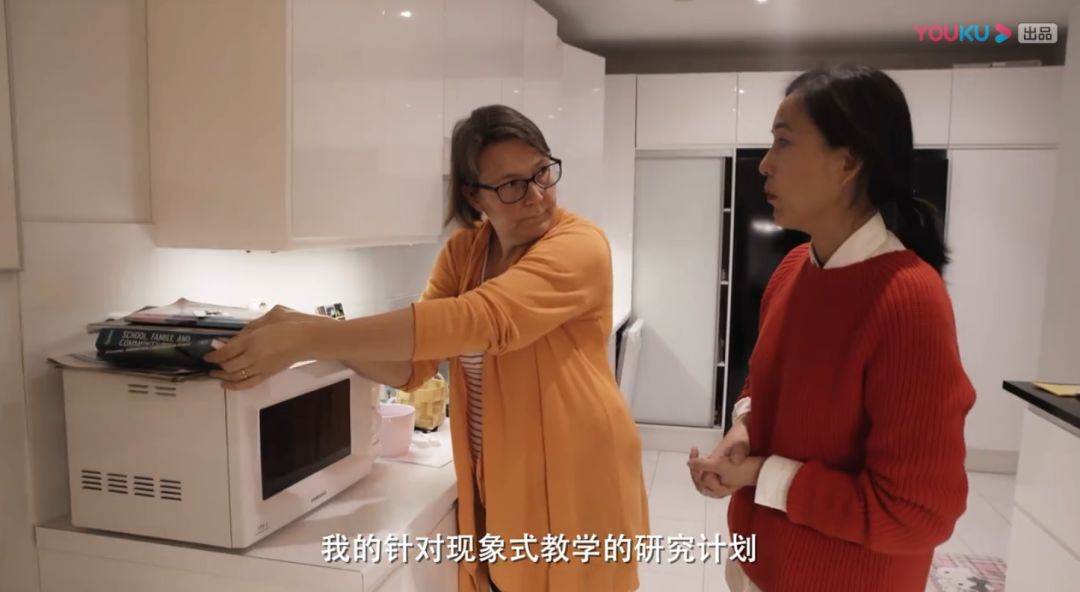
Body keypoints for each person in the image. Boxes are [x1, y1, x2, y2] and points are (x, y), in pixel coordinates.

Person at [205, 105, 649, 592]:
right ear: (474, 196)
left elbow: (483, 320)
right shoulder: (464, 254)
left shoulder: (580, 244)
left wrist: (309, 336)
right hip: (502, 470)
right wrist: (311, 328)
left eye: (542, 171)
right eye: (512, 184)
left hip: (578, 467)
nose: (537, 195)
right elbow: (409, 366)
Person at [687, 65, 976, 592]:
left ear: (848, 162)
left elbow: (916, 512)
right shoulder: (795, 267)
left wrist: (760, 475)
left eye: (783, 142)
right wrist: (744, 430)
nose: (765, 164)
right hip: (758, 565)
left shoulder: (908, 300)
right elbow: (766, 384)